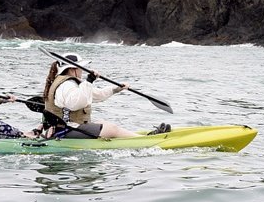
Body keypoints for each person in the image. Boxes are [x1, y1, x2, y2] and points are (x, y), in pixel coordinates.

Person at [41, 52, 170, 139]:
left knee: (103, 123)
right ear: (74, 69)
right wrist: (89, 80)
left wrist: (116, 89)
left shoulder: (69, 83)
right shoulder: (67, 85)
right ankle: (146, 140)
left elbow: (96, 95)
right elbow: (75, 104)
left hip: (68, 128)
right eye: (81, 68)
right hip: (64, 131)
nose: (81, 71)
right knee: (112, 129)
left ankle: (139, 137)